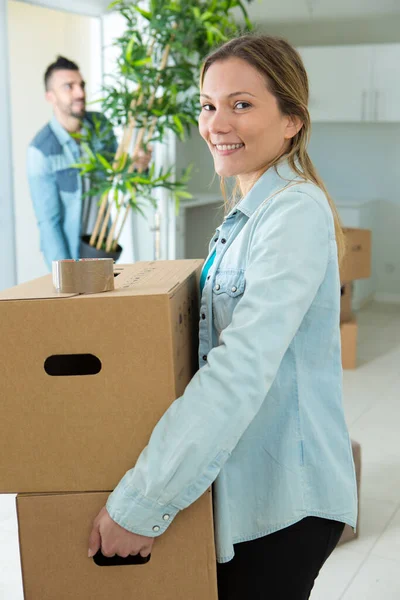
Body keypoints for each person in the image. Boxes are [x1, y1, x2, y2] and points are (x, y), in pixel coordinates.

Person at [88, 34, 357, 600]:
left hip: (284, 502)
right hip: (248, 493)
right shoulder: (246, 214)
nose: (216, 123)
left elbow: (238, 370)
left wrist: (145, 501)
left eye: (241, 104)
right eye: (209, 105)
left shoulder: (293, 214)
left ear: (292, 121)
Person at [27, 56, 151, 269]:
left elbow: (120, 173)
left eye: (81, 85)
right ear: (50, 96)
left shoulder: (99, 124)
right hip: (70, 257)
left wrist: (139, 166)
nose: (80, 93)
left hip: (103, 246)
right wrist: (66, 272)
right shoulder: (41, 150)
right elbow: (49, 223)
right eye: (69, 87)